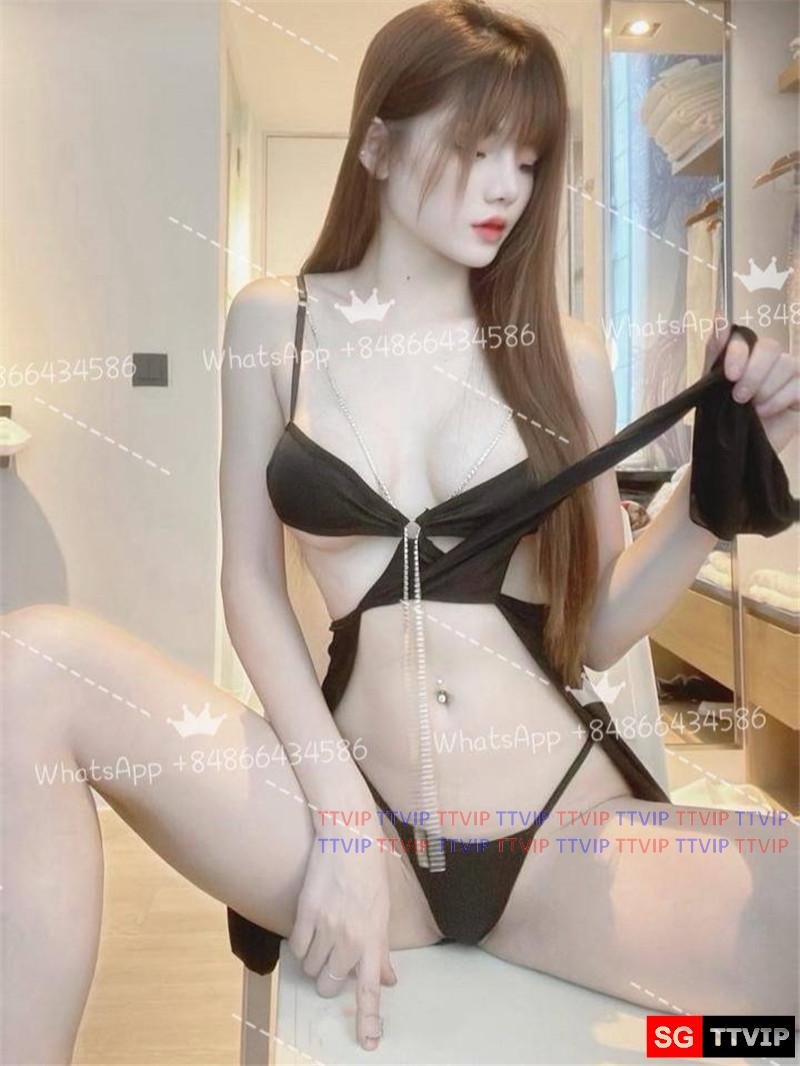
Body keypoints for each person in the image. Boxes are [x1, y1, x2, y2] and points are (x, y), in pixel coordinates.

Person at [3, 1, 798, 1061]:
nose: (506, 185)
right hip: (351, 813)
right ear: (376, 143)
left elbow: (599, 629)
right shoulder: (273, 323)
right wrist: (338, 821)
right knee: (31, 666)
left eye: (527, 158)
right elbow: (250, 586)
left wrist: (711, 496)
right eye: (475, 148)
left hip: (558, 832)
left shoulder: (565, 354)